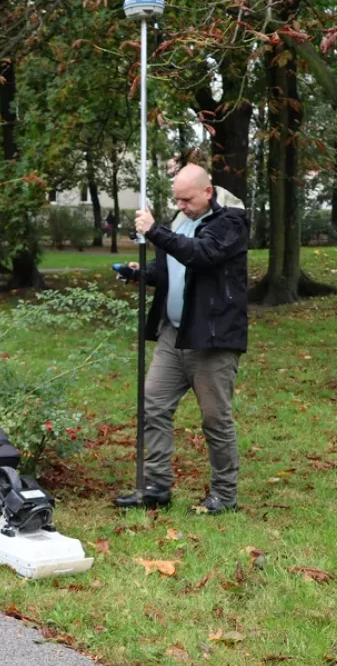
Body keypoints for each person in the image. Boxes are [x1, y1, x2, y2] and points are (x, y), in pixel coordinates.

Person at [113, 164, 250, 514]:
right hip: (173, 334)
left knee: (214, 419)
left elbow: (201, 255)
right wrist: (139, 273)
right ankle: (156, 486)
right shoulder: (178, 222)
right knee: (153, 405)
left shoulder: (230, 222)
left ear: (207, 191)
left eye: (186, 199)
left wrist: (155, 232)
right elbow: (170, 269)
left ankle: (224, 495)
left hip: (212, 338)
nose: (181, 205)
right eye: (177, 199)